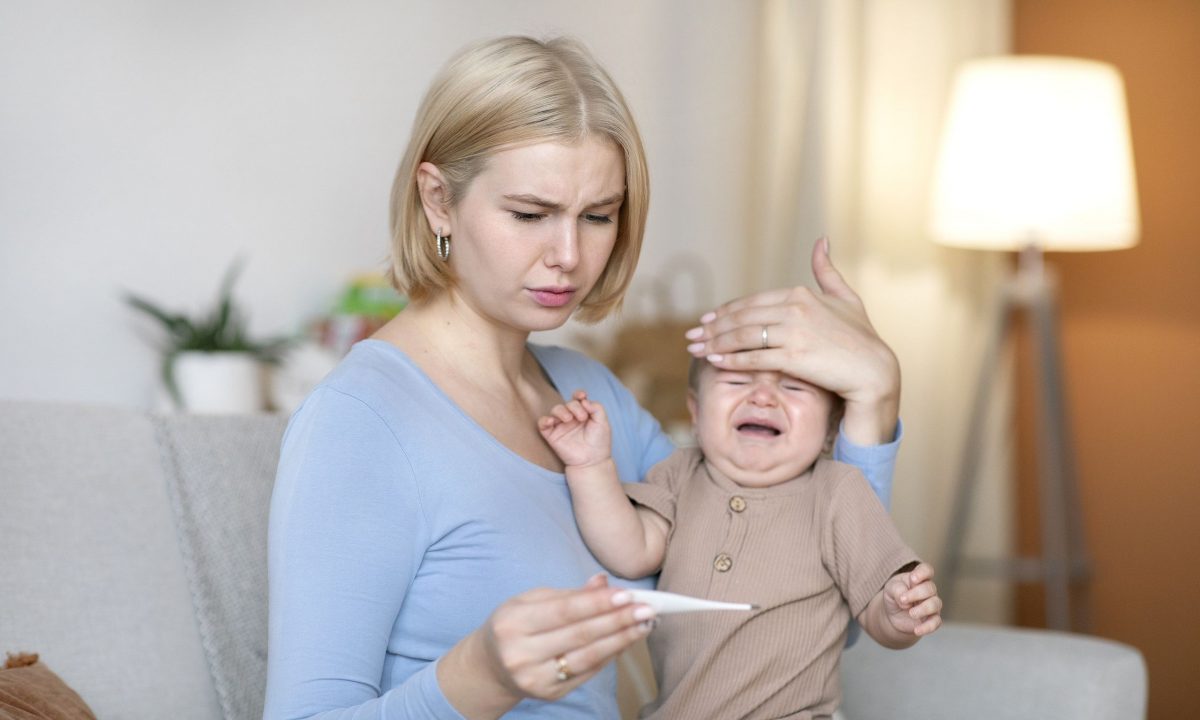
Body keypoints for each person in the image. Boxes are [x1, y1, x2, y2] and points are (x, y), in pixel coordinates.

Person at [264, 35, 904, 720]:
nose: (568, 255)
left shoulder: (593, 399)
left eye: (598, 216)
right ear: (438, 200)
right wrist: (479, 675)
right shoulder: (361, 422)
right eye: (530, 214)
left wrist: (873, 399)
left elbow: (795, 610)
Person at [538, 358, 942, 719]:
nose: (763, 397)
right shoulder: (679, 473)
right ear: (696, 413)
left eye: (793, 386)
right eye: (736, 381)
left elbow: (875, 609)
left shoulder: (836, 492)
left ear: (830, 429)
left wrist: (899, 615)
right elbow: (631, 551)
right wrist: (590, 466)